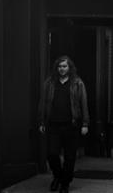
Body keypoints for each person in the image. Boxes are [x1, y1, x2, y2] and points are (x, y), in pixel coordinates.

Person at [38, 56, 89, 193]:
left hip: (71, 125)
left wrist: (85, 123)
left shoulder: (77, 83)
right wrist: (41, 121)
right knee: (52, 154)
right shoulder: (49, 83)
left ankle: (65, 184)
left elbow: (83, 103)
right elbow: (43, 103)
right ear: (56, 68)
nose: (62, 69)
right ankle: (58, 177)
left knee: (70, 157)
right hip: (53, 125)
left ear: (69, 68)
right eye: (59, 66)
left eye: (64, 66)